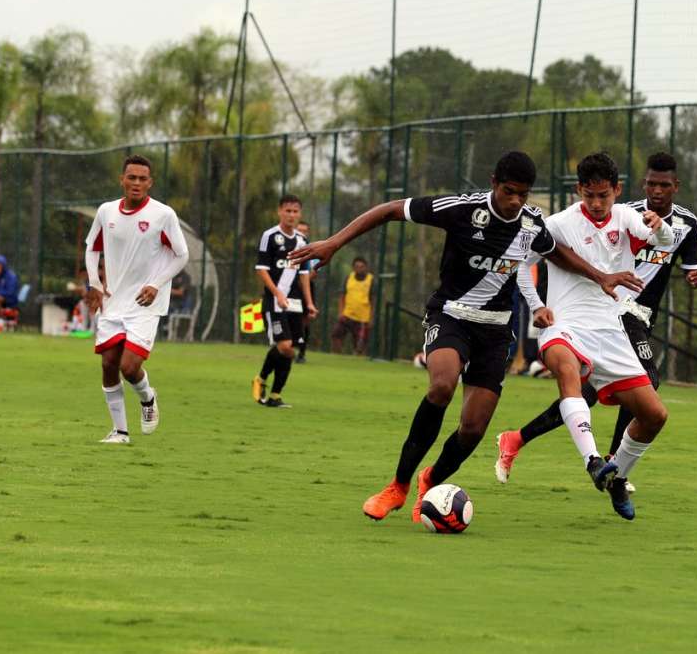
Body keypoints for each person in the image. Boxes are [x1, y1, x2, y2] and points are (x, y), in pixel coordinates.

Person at [288, 151, 642, 525]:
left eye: (523, 194)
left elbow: (559, 254)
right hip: (451, 315)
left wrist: (601, 277)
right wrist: (333, 243)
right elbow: (391, 209)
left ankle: (431, 479)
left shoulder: (531, 223)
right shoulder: (460, 209)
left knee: (473, 429)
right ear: (493, 183)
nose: (515, 201)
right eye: (508, 192)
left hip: (495, 330)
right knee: (442, 385)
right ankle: (397, 485)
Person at [496, 151, 697, 493]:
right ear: (579, 190)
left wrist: (665, 233)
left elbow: (669, 246)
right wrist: (536, 306)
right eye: (589, 195)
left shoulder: (644, 219)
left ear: (616, 191)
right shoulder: (563, 223)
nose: (596, 203)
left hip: (618, 324)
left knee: (610, 402)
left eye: (603, 195)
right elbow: (521, 263)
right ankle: (603, 464)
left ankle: (518, 440)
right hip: (591, 319)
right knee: (594, 376)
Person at [84, 155, 189, 443]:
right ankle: (120, 431)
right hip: (113, 300)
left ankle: (147, 397)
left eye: (143, 179)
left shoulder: (163, 215)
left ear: (150, 183)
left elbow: (182, 255)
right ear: (122, 179)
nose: (137, 183)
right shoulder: (106, 212)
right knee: (108, 364)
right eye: (132, 177)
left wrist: (155, 284)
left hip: (146, 303)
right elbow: (91, 248)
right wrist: (95, 284)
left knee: (129, 367)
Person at [250, 195, 318, 408]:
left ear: (300, 214)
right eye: (287, 211)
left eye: (295, 211)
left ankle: (275, 395)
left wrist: (309, 303)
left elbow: (304, 274)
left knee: (291, 349)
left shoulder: (302, 241)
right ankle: (261, 379)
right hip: (274, 299)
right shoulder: (269, 236)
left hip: (296, 302)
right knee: (285, 345)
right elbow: (261, 270)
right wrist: (277, 294)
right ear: (279, 211)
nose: (291, 215)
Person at [331, 257, 373, 355]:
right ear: (353, 268)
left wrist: (371, 318)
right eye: (357, 267)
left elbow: (373, 300)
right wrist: (341, 312)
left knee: (360, 344)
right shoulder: (349, 278)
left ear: (366, 267)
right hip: (347, 314)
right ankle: (337, 356)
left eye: (361, 267)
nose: (359, 269)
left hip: (363, 318)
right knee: (336, 334)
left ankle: (358, 361)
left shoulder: (371, 280)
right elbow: (342, 296)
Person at [294, 221, 315, 363]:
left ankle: (301, 352)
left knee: (305, 321)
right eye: (299, 230)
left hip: (306, 288)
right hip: (290, 288)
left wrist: (302, 280)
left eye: (304, 231)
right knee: (290, 319)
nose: (301, 233)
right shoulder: (290, 247)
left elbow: (313, 272)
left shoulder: (313, 250)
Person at [0, 254, 20, 331]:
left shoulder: (11, 276)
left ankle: (0, 322)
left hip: (9, 301)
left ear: (3, 266)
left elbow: (11, 292)